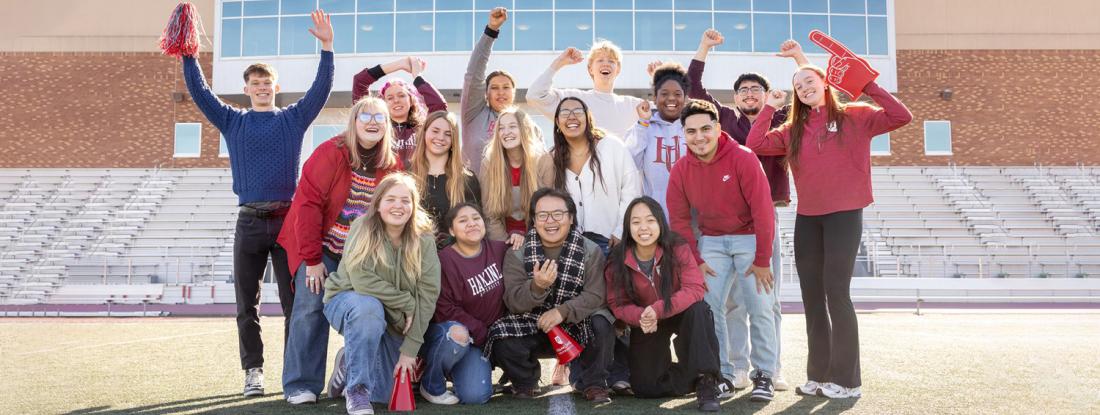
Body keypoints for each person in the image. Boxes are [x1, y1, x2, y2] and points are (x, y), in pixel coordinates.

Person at [179, 8, 333, 397]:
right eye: (256, 83)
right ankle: (253, 372)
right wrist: (188, 54)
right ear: (246, 88)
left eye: (267, 83)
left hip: (288, 223)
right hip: (248, 222)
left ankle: (292, 372)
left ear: (275, 88)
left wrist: (327, 49)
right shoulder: (233, 121)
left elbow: (320, 92)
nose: (262, 87)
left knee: (294, 304)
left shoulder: (293, 119)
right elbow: (200, 93)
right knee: (246, 305)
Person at [746, 62, 913, 399]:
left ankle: (848, 382)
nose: (804, 88)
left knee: (837, 293)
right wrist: (769, 107)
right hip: (808, 219)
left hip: (844, 216)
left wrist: (869, 86)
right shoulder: (793, 129)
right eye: (798, 85)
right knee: (812, 298)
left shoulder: (856, 115)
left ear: (824, 82)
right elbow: (756, 144)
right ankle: (818, 376)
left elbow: (901, 116)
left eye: (809, 81)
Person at [690, 29, 809, 393]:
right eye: (743, 90)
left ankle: (770, 368)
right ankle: (738, 367)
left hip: (764, 217)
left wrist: (799, 59)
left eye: (756, 89)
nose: (749, 94)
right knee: (729, 301)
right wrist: (705, 47)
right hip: (725, 220)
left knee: (765, 296)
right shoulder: (724, 119)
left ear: (767, 94)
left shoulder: (779, 119)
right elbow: (693, 86)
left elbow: (813, 95)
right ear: (735, 97)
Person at [276, 96, 404, 404]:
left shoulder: (392, 164)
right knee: (309, 308)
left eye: (380, 117)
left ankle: (353, 366)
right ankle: (301, 384)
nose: (373, 122)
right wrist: (312, 259)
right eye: (366, 116)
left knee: (369, 312)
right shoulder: (331, 153)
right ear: (354, 121)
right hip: (320, 248)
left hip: (360, 258)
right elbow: (307, 205)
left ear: (387, 126)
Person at [667, 99, 778, 402]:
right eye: (691, 131)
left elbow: (763, 210)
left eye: (705, 128)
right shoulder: (681, 169)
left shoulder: (742, 158)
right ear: (684, 134)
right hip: (712, 241)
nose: (699, 137)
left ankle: (765, 374)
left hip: (750, 237)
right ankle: (723, 374)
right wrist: (696, 260)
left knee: (759, 305)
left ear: (717, 128)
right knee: (708, 308)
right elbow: (678, 220)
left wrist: (762, 259)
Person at [321, 172, 441, 415]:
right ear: (377, 204)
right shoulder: (361, 226)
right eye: (391, 199)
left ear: (413, 206)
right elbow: (359, 279)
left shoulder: (424, 239)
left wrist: (409, 350)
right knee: (368, 307)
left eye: (405, 200)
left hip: (393, 319)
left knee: (385, 393)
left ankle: (348, 362)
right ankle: (357, 391)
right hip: (349, 301)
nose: (398, 206)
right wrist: (406, 301)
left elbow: (428, 294)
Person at [487, 188, 616, 403]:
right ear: (534, 220)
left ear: (571, 217)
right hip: (533, 324)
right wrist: (537, 287)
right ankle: (525, 381)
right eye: (542, 215)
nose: (550, 221)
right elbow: (512, 300)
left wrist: (562, 312)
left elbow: (596, 295)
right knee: (501, 334)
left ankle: (593, 383)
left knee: (602, 322)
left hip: (577, 326)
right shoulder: (517, 253)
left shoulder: (590, 250)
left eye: (558, 214)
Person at [604, 196, 722, 412]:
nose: (643, 228)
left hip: (680, 313)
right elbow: (617, 303)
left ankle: (707, 379)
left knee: (700, 310)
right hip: (647, 320)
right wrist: (641, 316)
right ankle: (692, 378)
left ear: (660, 222)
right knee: (646, 387)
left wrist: (658, 309)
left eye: (650, 220)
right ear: (628, 227)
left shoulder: (677, 247)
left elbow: (695, 288)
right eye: (636, 222)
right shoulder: (617, 259)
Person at [419, 203, 509, 405]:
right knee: (457, 334)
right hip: (458, 335)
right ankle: (431, 382)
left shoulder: (499, 250)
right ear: (451, 230)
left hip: (489, 338)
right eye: (463, 220)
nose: (471, 224)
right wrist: (481, 332)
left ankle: (458, 368)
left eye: (476, 218)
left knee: (475, 396)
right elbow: (444, 309)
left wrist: (519, 236)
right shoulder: (444, 260)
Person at [537, 97, 641, 255]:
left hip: (611, 242)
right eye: (565, 112)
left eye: (578, 111)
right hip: (570, 246)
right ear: (557, 122)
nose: (572, 116)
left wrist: (621, 231)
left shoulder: (611, 146)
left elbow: (632, 190)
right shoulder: (552, 159)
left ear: (588, 117)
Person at [526, 41, 644, 139]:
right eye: (600, 60)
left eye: (611, 61)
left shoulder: (632, 105)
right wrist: (559, 63)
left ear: (618, 69)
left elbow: (661, 111)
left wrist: (659, 76)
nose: (606, 64)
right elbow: (534, 96)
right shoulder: (575, 100)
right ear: (590, 69)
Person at [624, 62, 691, 216]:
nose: (671, 99)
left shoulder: (693, 126)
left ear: (685, 98)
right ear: (655, 97)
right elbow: (629, 163)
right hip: (654, 216)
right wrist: (643, 123)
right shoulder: (642, 126)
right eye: (664, 94)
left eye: (678, 94)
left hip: (690, 217)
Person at [352, 56, 447, 164]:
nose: (396, 100)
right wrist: (400, 64)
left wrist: (417, 77)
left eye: (401, 95)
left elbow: (439, 106)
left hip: (417, 180)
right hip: (384, 180)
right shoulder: (376, 127)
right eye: (390, 98)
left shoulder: (424, 128)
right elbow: (359, 81)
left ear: (411, 101)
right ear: (383, 104)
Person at [409, 110, 481, 244]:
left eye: (448, 134)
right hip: (415, 255)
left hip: (456, 256)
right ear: (424, 133)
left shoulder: (467, 179)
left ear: (454, 140)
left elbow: (476, 224)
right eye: (435, 131)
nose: (441, 137)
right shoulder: (407, 175)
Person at [461, 7, 515, 174]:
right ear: (486, 93)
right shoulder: (474, 113)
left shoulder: (525, 123)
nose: (501, 92)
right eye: (494, 88)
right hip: (473, 195)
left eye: (506, 87)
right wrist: (491, 31)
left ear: (513, 92)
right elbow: (474, 73)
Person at [479, 108, 542, 249]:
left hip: (538, 238)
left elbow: (549, 211)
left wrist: (527, 238)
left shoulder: (543, 161)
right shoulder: (489, 163)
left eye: (512, 126)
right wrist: (505, 243)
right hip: (502, 239)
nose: (506, 132)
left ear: (525, 129)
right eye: (501, 128)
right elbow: (490, 215)